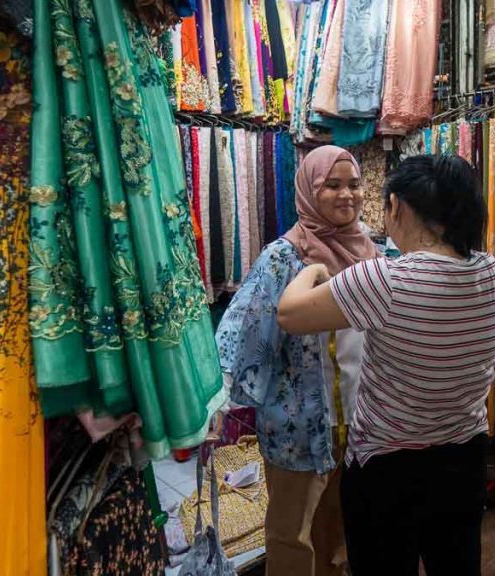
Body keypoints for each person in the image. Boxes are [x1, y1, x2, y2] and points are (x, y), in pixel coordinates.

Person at [277, 155, 495, 576]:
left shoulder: (385, 280)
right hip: (464, 457)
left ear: (397, 207)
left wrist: (313, 268)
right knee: (457, 563)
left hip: (388, 468)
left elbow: (291, 315)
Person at [215, 145, 378, 576]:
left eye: (355, 184)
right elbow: (244, 331)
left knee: (345, 527)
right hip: (298, 424)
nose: (348, 195)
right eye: (333, 186)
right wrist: (224, 396)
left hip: (360, 421)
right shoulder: (283, 258)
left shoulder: (369, 252)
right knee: (293, 534)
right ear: (308, 191)